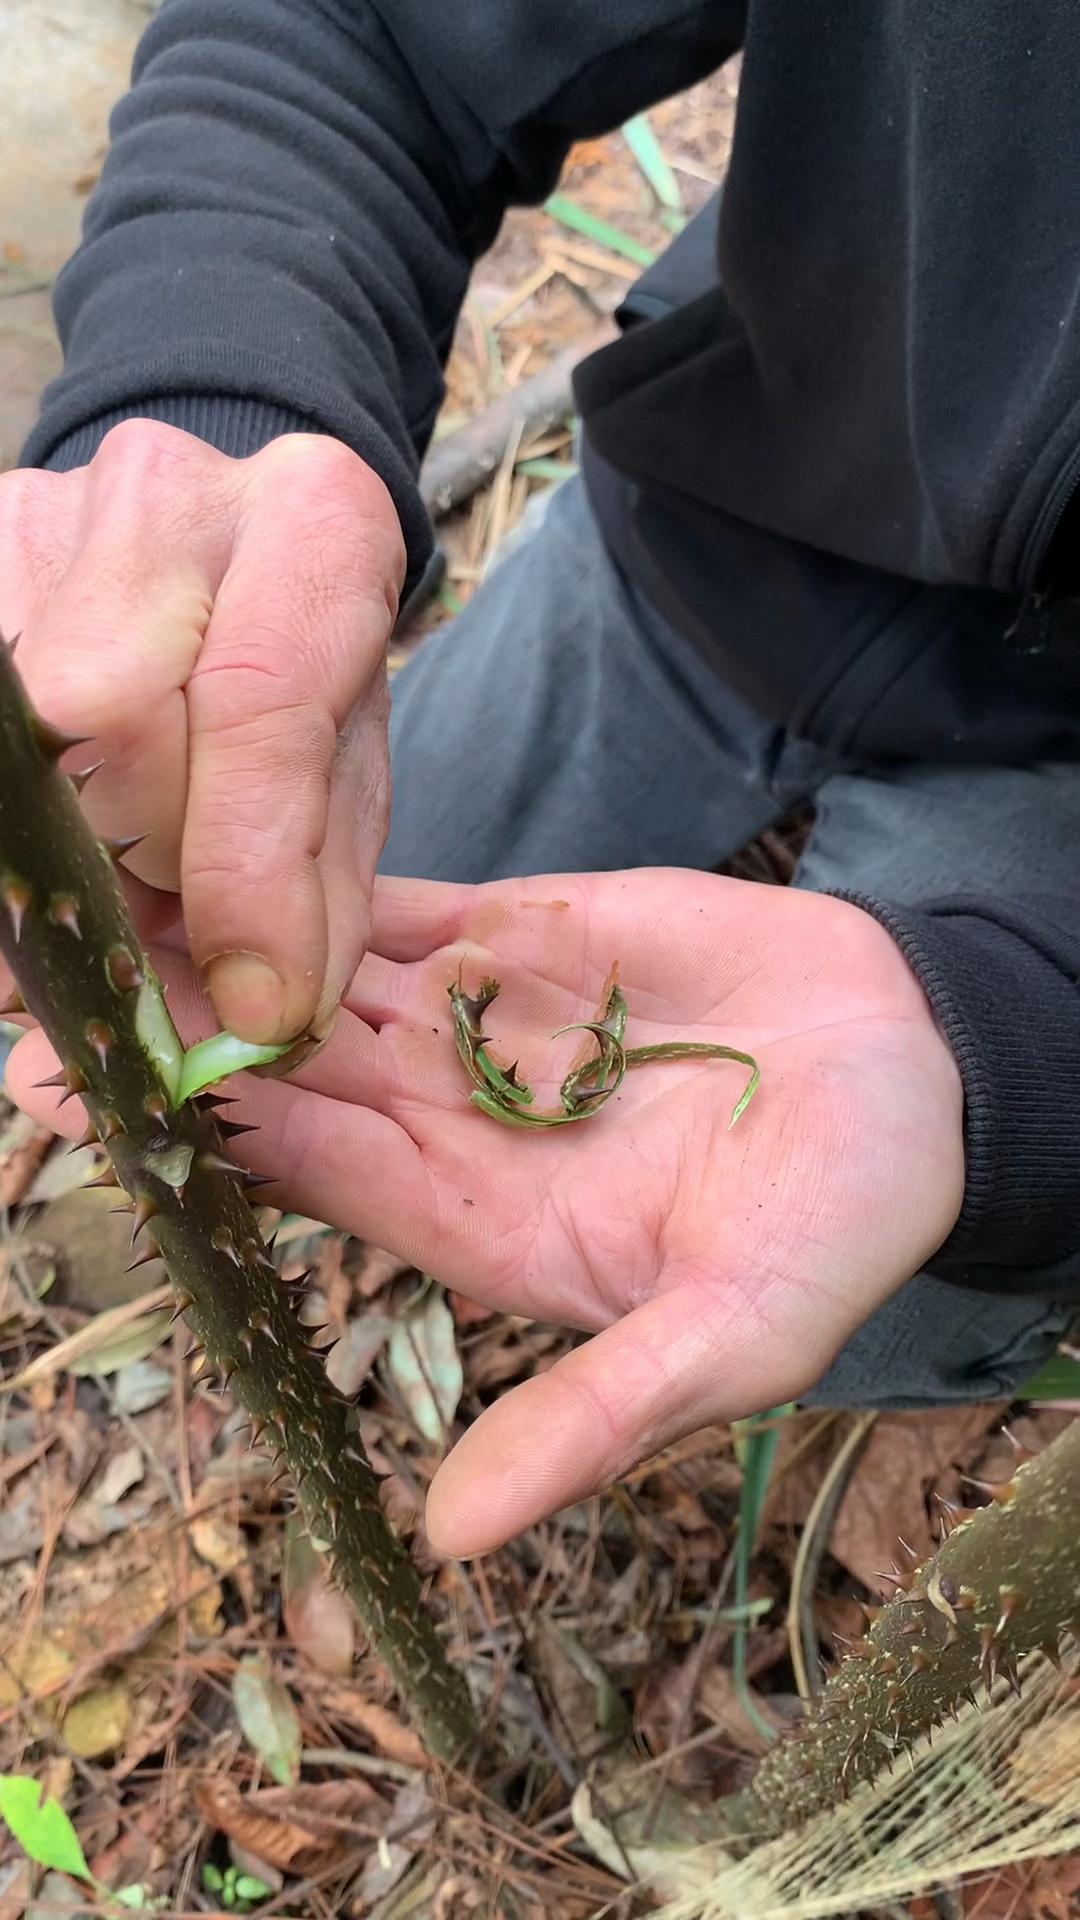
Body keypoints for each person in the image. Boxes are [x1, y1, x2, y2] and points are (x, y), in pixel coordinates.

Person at [4, 0, 1080, 1560]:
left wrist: (1019, 1060)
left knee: (868, 1312)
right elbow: (348, 30)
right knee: (287, 939)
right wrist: (216, 407)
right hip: (716, 527)